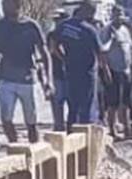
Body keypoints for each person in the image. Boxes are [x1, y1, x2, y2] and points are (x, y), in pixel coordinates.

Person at [0, 0, 49, 143]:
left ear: (17, 4)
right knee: (6, 118)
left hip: (28, 79)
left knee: (31, 121)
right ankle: (14, 145)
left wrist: (47, 79)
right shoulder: (0, 26)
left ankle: (33, 150)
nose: (4, 7)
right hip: (7, 79)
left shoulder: (31, 26)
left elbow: (44, 53)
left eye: (7, 3)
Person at [50, 0, 102, 131]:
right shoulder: (89, 29)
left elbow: (53, 45)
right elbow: (100, 52)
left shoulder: (63, 26)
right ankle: (84, 133)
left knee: (72, 106)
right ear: (87, 11)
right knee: (86, 105)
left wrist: (63, 58)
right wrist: (104, 70)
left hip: (70, 70)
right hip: (87, 73)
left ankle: (71, 132)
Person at [98, 4, 132, 139]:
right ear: (112, 15)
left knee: (126, 103)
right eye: (116, 14)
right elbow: (103, 51)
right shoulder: (106, 31)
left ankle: (127, 130)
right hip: (113, 70)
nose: (119, 17)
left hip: (126, 70)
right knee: (113, 103)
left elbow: (130, 49)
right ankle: (112, 131)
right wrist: (106, 70)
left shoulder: (125, 30)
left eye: (120, 14)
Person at [47, 7, 66, 130]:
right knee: (57, 102)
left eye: (60, 19)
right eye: (56, 20)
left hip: (71, 73)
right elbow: (52, 51)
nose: (58, 22)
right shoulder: (52, 35)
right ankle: (58, 126)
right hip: (57, 72)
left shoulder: (71, 34)